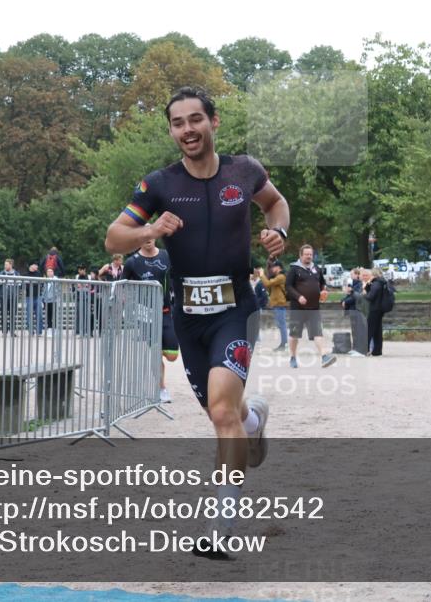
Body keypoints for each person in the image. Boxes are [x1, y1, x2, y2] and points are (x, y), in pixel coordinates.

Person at [105, 87, 288, 558]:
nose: (186, 129)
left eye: (194, 120)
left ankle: (221, 528)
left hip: (235, 311)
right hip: (187, 318)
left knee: (221, 414)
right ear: (171, 130)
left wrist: (278, 231)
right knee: (227, 415)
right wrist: (151, 230)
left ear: (214, 122)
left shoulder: (244, 171)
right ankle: (255, 419)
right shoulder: (158, 185)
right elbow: (114, 238)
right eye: (177, 123)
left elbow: (275, 203)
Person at [122, 235, 179, 403]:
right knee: (156, 353)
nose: (148, 239)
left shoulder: (166, 255)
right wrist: (123, 305)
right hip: (145, 314)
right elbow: (121, 285)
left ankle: (159, 352)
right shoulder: (132, 262)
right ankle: (161, 388)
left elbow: (178, 275)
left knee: (172, 355)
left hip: (166, 310)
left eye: (151, 236)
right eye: (144, 236)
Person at [286, 244, 335, 369]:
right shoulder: (294, 269)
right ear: (301, 255)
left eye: (311, 254)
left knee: (318, 332)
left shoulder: (316, 269)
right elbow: (288, 287)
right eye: (306, 254)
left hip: (314, 308)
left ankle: (324, 356)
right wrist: (298, 297)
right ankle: (292, 357)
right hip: (298, 308)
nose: (309, 257)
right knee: (294, 334)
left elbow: (322, 283)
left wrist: (324, 291)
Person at [257, 260, 288, 352]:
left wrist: (262, 274)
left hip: (279, 303)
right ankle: (284, 343)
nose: (272, 269)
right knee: (280, 324)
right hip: (277, 303)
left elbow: (267, 283)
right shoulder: (278, 277)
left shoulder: (281, 277)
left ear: (278, 267)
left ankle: (284, 344)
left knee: (282, 324)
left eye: (273, 267)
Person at [340, 267, 367, 356]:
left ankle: (359, 349)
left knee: (359, 330)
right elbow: (348, 295)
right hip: (352, 309)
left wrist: (345, 301)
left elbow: (355, 297)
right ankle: (355, 347)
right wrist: (343, 300)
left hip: (357, 309)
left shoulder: (359, 284)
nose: (350, 276)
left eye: (352, 274)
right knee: (354, 330)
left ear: (357, 275)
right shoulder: (352, 285)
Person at [364, 267, 389, 357]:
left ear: (373, 275)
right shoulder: (382, 282)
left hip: (374, 309)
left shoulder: (377, 283)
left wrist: (364, 295)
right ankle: (377, 351)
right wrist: (368, 285)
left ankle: (365, 350)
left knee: (369, 330)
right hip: (380, 309)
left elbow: (370, 296)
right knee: (377, 331)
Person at [0, 259, 20, 335]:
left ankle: (12, 331)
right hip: (3, 297)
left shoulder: (16, 273)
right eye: (5, 264)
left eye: (6, 264)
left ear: (11, 265)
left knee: (13, 314)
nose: (5, 266)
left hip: (14, 297)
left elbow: (19, 283)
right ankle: (4, 331)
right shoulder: (2, 273)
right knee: (3, 314)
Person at [24, 263, 44, 335]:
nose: (37, 267)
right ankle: (31, 331)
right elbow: (25, 285)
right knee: (29, 314)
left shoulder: (38, 273)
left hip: (38, 296)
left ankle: (39, 331)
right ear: (31, 266)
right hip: (29, 296)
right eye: (36, 265)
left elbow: (41, 283)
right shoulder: (26, 274)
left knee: (39, 314)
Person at [41, 266, 60, 335]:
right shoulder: (45, 280)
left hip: (53, 300)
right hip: (46, 300)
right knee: (48, 315)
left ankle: (54, 329)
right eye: (48, 272)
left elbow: (58, 290)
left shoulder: (56, 280)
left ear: (53, 272)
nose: (49, 273)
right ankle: (49, 329)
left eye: (51, 271)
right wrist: (42, 299)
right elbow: (43, 290)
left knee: (54, 315)